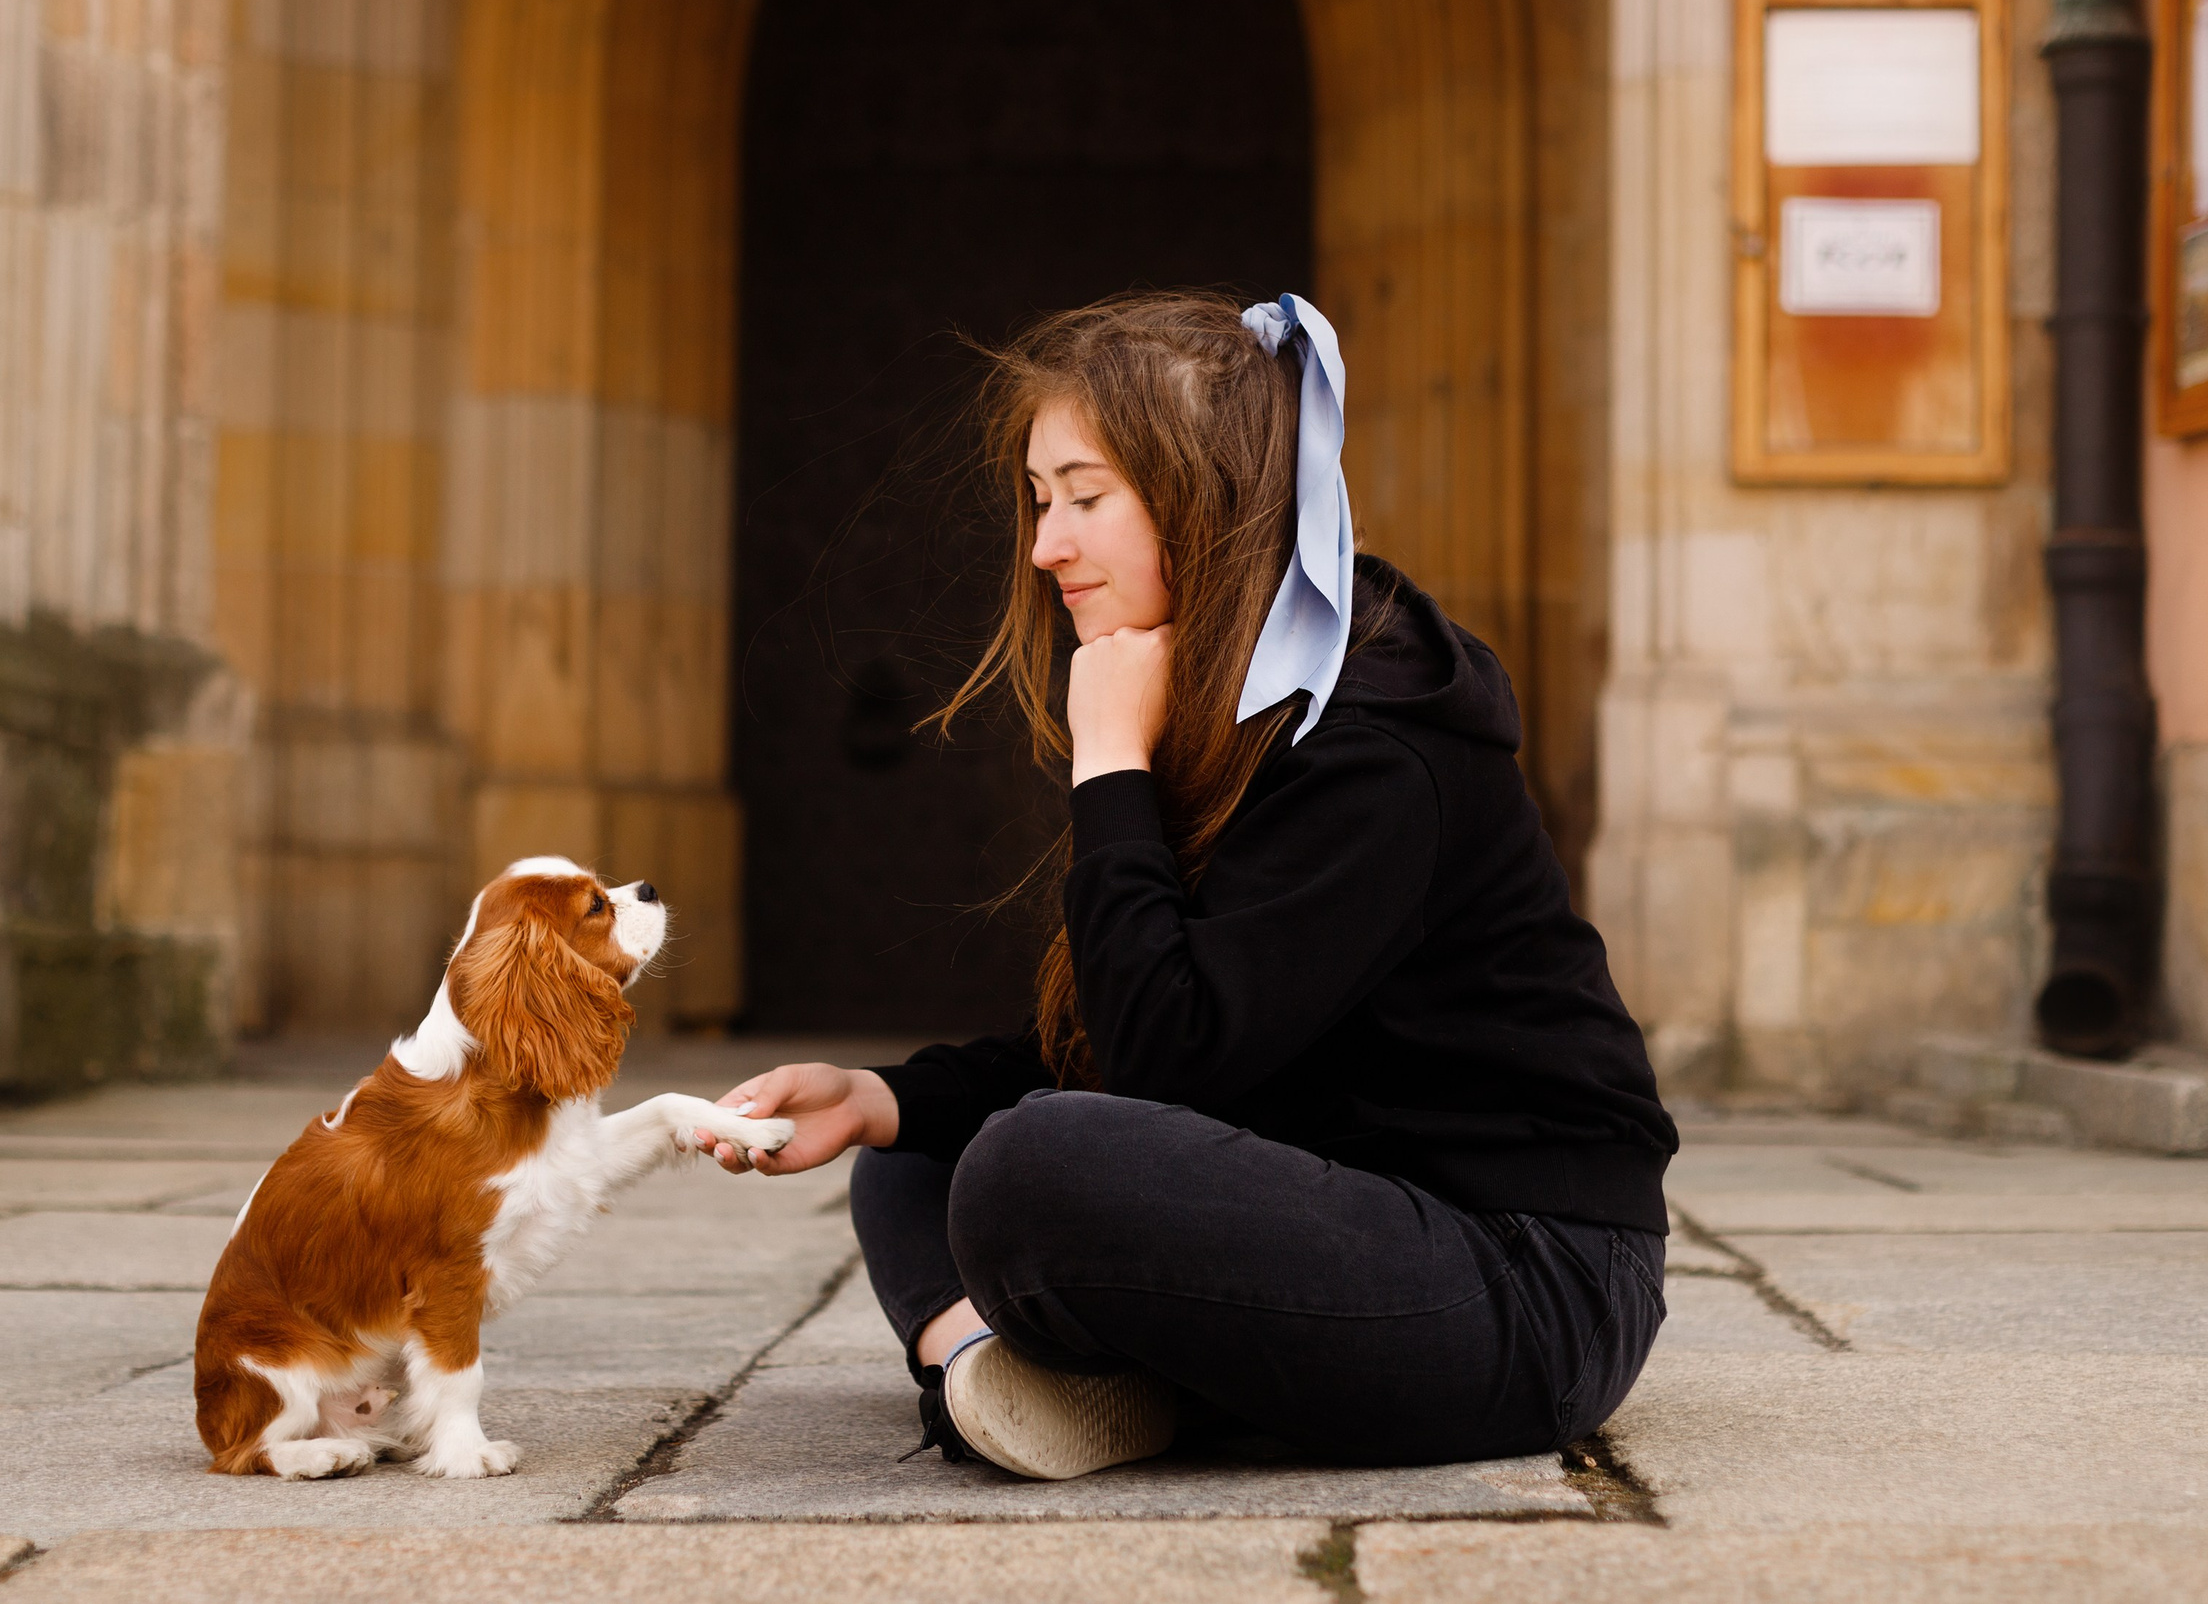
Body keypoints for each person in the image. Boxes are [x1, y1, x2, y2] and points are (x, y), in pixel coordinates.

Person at [697, 291, 1676, 1481]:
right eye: (1039, 499)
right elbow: (1118, 1041)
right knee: (918, 1141)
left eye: (1086, 496)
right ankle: (984, 1369)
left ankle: (1082, 1366)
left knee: (1030, 1166)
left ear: (1205, 498)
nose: (1047, 543)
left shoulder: (1375, 741)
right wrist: (872, 1096)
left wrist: (1109, 762)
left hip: (1524, 1283)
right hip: (1345, 1220)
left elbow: (1169, 1058)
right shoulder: (1233, 704)